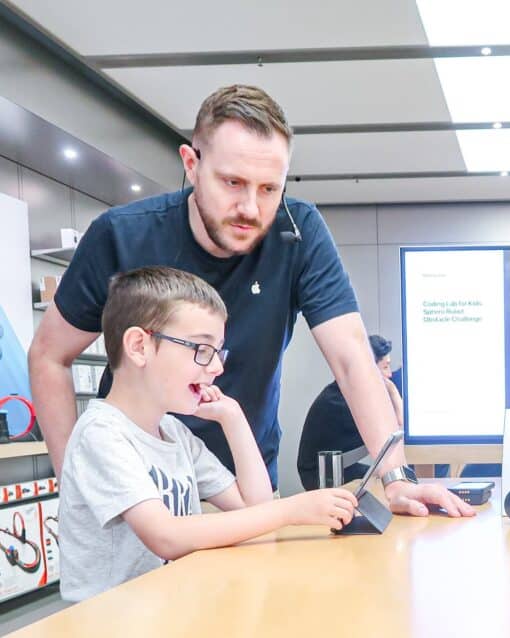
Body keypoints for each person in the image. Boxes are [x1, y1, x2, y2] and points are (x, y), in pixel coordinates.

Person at [28, 84, 473, 519]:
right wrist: (77, 484)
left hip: (246, 485)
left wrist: (396, 478)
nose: (250, 208)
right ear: (191, 163)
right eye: (233, 182)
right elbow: (50, 355)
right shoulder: (122, 235)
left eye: (268, 188)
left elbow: (352, 357)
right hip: (137, 483)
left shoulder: (297, 232)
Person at [58, 267, 357, 602]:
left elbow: (253, 508)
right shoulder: (101, 434)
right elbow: (165, 536)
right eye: (202, 349)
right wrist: (292, 510)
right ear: (139, 346)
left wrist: (234, 418)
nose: (217, 367)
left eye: (218, 351)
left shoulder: (173, 432)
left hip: (168, 608)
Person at [297, 335, 402, 490]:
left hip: (340, 465)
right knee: (388, 483)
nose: (390, 374)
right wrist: (393, 391)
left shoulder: (347, 390)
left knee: (388, 480)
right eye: (385, 367)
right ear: (371, 369)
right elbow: (397, 428)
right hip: (321, 474)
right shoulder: (341, 400)